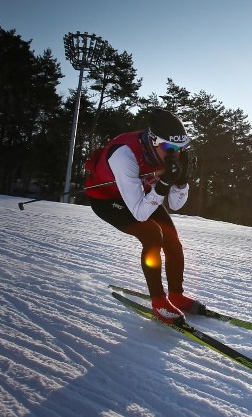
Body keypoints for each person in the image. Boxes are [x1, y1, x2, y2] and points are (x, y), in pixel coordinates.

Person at [85, 108, 203, 324]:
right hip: (108, 200)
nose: (176, 153)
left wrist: (181, 180)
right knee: (152, 235)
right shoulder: (124, 156)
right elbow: (140, 214)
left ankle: (176, 294)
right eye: (170, 147)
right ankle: (159, 302)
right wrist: (166, 182)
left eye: (181, 147)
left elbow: (176, 205)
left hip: (142, 194)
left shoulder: (166, 151)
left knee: (172, 238)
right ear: (153, 141)